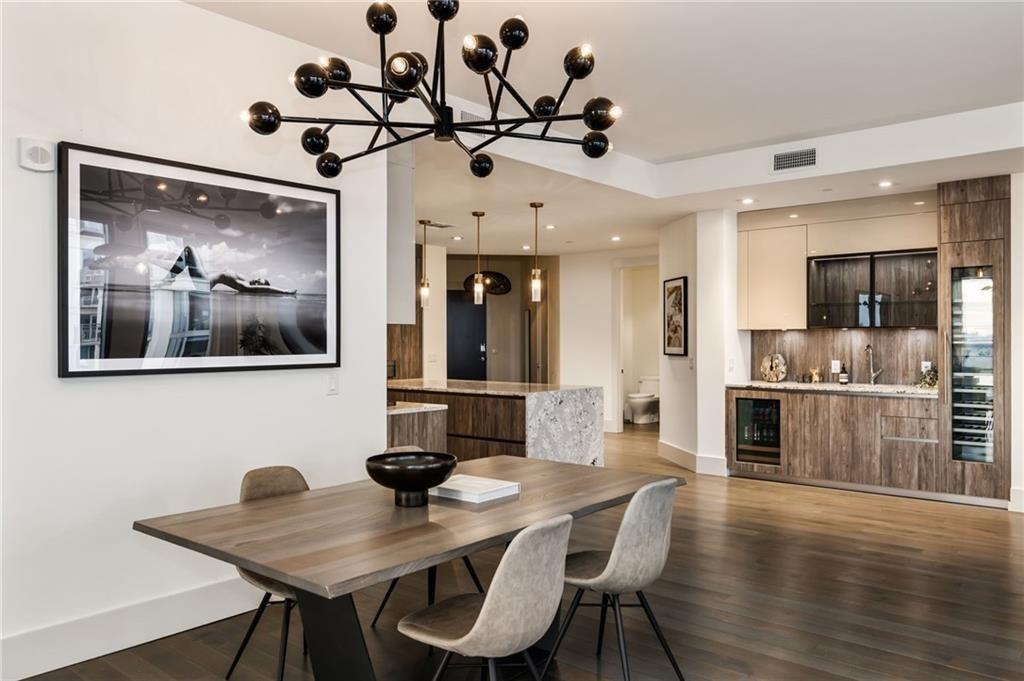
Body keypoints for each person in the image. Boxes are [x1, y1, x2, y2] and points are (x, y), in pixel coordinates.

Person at [161, 245, 296, 296]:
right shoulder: (246, 282)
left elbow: (268, 289)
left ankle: (169, 278)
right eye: (257, 279)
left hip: (204, 283)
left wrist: (286, 291)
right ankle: (170, 277)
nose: (256, 279)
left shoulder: (247, 287)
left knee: (188, 250)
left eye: (258, 282)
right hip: (204, 282)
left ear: (259, 286)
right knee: (187, 253)